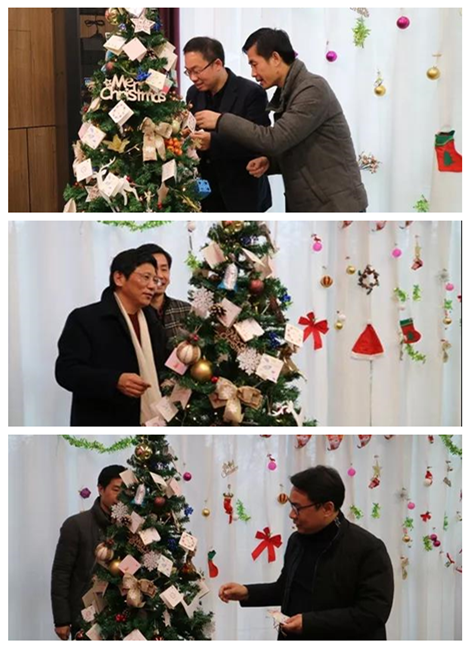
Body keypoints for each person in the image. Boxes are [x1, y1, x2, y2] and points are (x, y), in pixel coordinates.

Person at [195, 28, 368, 213]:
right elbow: (298, 145)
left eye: (255, 64)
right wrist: (271, 162)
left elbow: (275, 139)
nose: (253, 73)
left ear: (275, 58)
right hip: (312, 204)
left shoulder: (312, 89)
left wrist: (221, 120)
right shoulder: (289, 92)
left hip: (335, 206)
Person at [219, 465, 394, 640]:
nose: (291, 515)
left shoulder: (369, 549)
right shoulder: (297, 541)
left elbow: (372, 614)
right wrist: (246, 592)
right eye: (291, 506)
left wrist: (309, 623)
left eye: (297, 508)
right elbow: (286, 589)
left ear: (327, 508)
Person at [55, 249, 167, 426]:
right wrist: (115, 380)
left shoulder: (152, 320)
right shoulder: (86, 318)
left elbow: (164, 365)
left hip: (152, 424)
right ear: (119, 278)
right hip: (105, 424)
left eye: (155, 280)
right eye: (146, 277)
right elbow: (66, 371)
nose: (152, 286)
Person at [184, 36, 272, 212]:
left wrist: (213, 142)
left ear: (217, 64)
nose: (193, 78)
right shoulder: (193, 93)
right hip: (205, 193)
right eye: (188, 72)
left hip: (242, 192)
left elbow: (260, 143)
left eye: (197, 71)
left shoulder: (251, 93)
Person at [51, 465, 125, 640]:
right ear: (100, 489)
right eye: (116, 490)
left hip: (124, 615)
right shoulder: (76, 525)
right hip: (86, 614)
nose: (121, 497)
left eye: (125, 492)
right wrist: (61, 620)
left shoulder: (130, 527)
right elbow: (61, 573)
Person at [136, 243, 190, 343]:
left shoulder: (186, 310)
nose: (160, 275)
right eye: (154, 269)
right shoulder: (133, 312)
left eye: (164, 269)